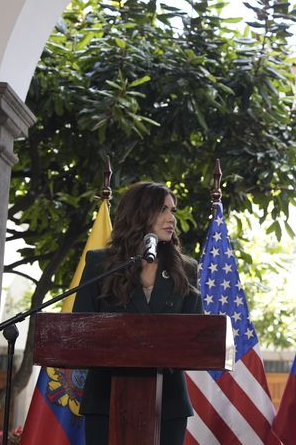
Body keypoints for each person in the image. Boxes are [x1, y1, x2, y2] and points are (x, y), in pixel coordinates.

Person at [73, 181, 202, 445]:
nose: (171, 219)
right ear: (140, 213)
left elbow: (196, 338)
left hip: (168, 405)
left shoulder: (186, 269)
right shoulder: (100, 263)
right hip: (105, 400)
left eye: (173, 210)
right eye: (163, 210)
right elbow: (80, 329)